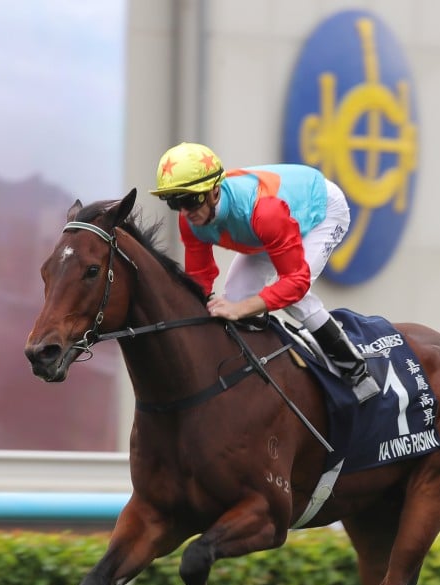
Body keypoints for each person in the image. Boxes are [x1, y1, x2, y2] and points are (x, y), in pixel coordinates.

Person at [149, 142, 378, 402]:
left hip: (321, 212)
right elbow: (200, 279)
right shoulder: (190, 219)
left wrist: (244, 307)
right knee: (233, 298)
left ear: (214, 192)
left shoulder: (264, 212)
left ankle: (357, 373)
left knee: (294, 299)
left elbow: (296, 282)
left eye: (190, 200)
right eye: (174, 202)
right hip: (264, 230)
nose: (185, 212)